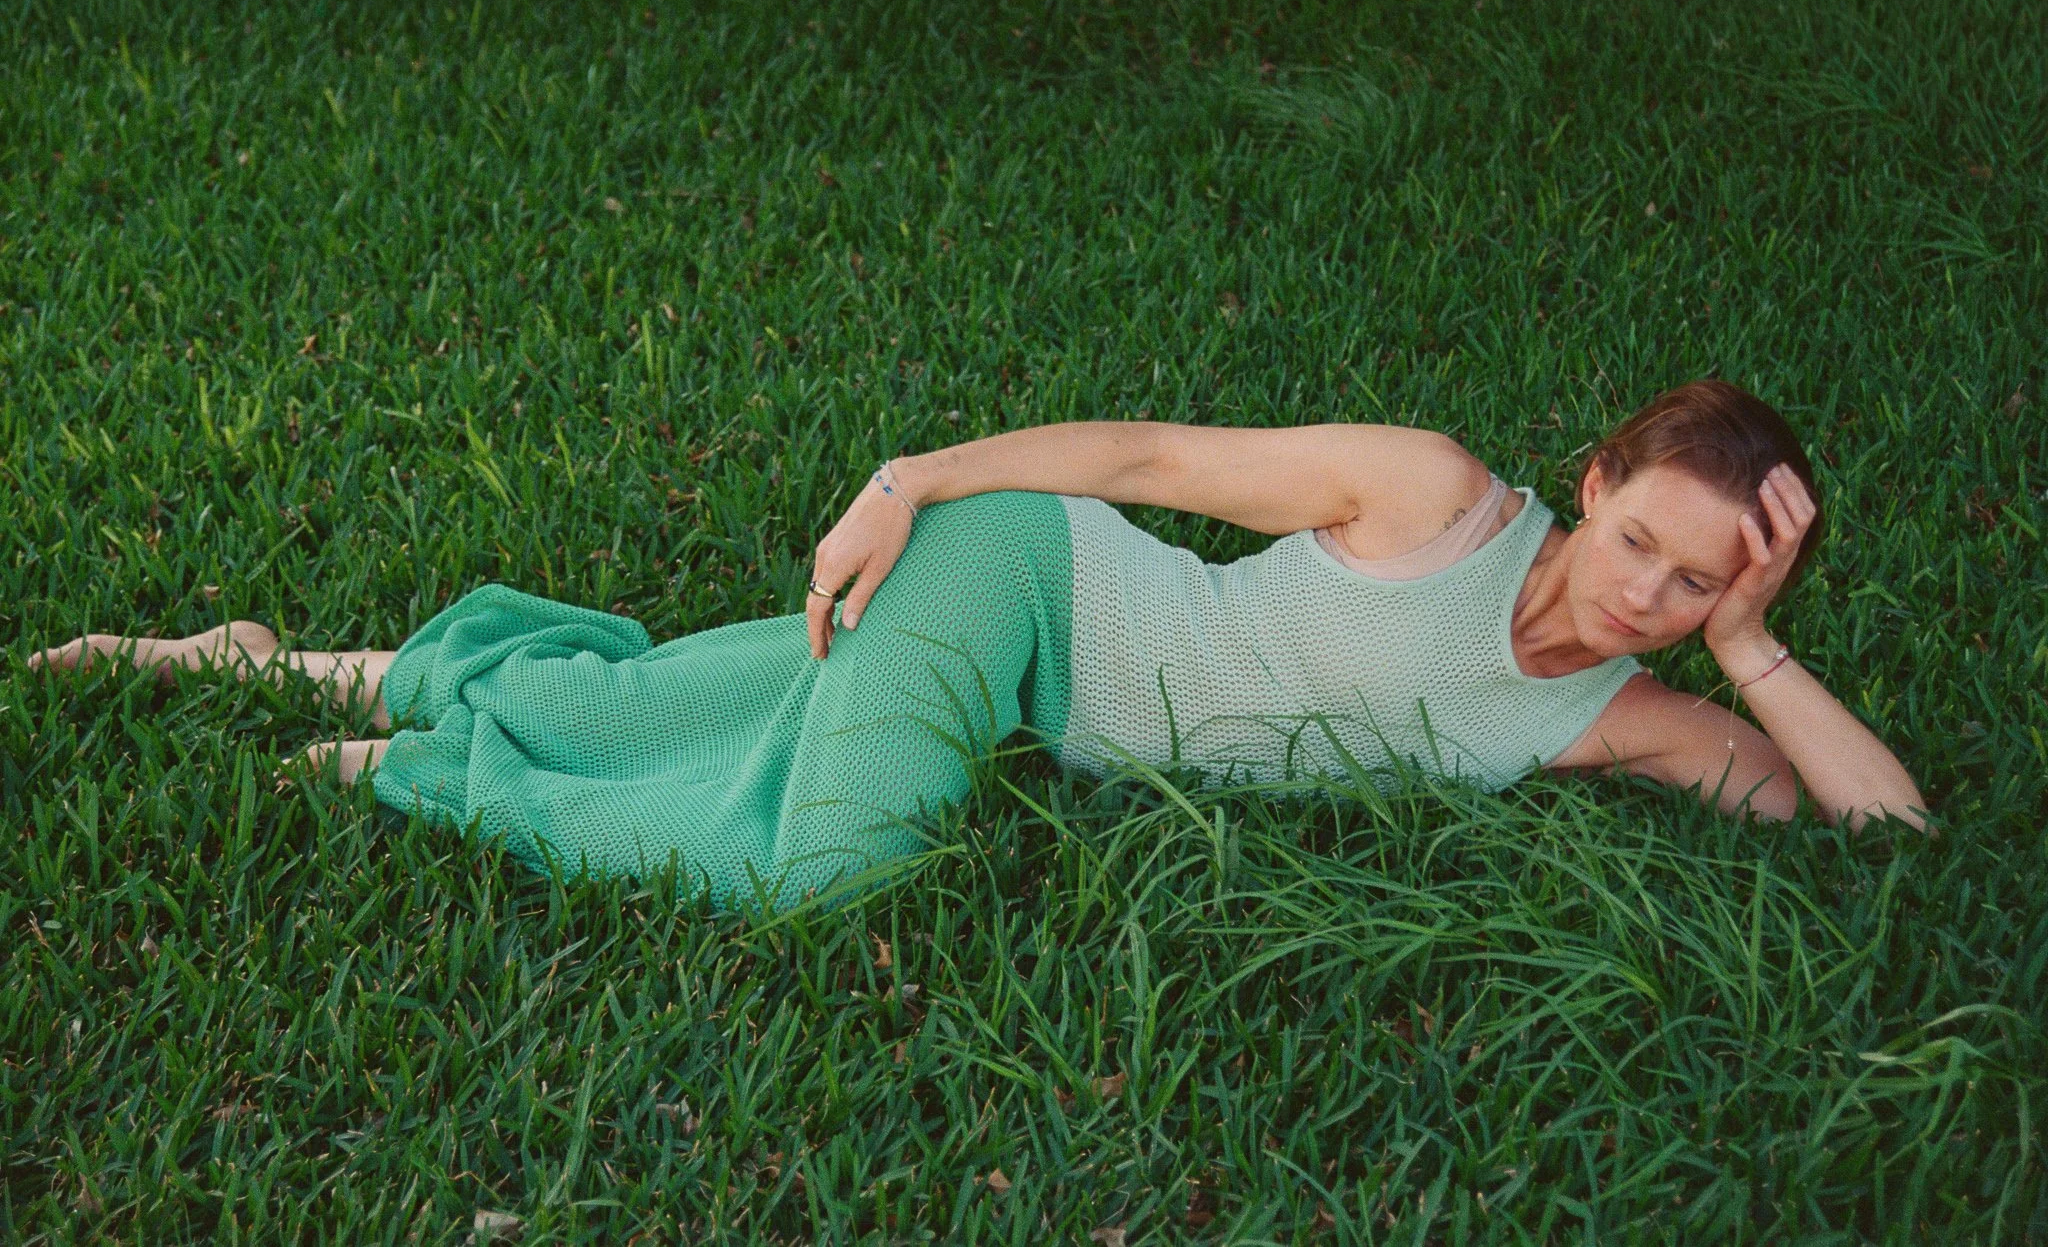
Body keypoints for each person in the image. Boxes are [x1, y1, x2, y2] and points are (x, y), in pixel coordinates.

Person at [25, 379, 1934, 913]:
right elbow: (1154, 459)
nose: (1643, 594)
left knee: (651, 706)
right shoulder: (1438, 494)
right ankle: (419, 776)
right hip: (1034, 587)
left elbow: (1878, 836)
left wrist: (1760, 647)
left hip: (1033, 702)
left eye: (1698, 582)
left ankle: (274, 656)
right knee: (822, 863)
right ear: (1590, 482)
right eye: (1640, 540)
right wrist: (912, 478)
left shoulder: (1634, 709)